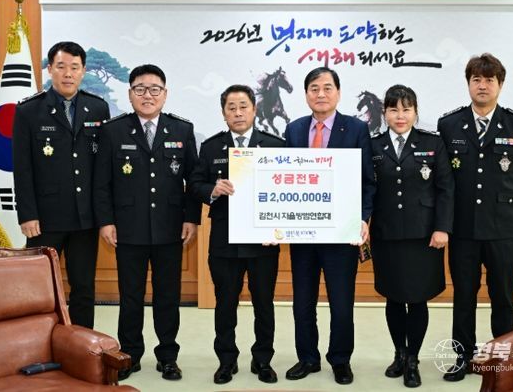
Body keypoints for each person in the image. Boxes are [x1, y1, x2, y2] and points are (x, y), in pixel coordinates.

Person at [93, 64, 201, 381]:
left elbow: (193, 180)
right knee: (131, 297)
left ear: (165, 94)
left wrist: (191, 218)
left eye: (155, 89)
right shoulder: (113, 131)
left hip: (170, 228)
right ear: (130, 94)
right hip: (128, 229)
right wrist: (105, 222)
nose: (147, 95)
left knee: (168, 296)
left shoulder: (182, 130)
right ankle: (130, 355)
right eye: (140, 89)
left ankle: (168, 356)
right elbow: (101, 183)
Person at [437, 53, 513, 381]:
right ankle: (463, 357)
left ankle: (501, 359)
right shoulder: (449, 125)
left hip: (502, 229)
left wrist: (506, 204)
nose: (483, 86)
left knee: (503, 297)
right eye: (476, 80)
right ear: (468, 83)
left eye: (489, 80)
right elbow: (444, 177)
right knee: (463, 297)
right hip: (463, 229)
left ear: (500, 84)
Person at [283, 66, 375, 385]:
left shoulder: (356, 129)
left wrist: (363, 218)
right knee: (302, 302)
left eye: (327, 88)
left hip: (341, 233)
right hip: (303, 233)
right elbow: (283, 179)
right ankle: (308, 358)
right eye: (314, 88)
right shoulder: (294, 129)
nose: (320, 94)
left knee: (341, 302)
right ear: (306, 94)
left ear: (338, 92)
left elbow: (368, 180)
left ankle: (340, 359)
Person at [189, 84, 284, 385]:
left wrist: (280, 227)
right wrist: (213, 189)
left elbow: (286, 192)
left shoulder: (275, 145)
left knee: (264, 304)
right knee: (225, 303)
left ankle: (263, 360)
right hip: (224, 242)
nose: (238, 112)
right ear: (224, 113)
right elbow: (195, 184)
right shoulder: (211, 147)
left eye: (244, 106)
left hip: (263, 242)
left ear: (254, 110)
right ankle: (226, 361)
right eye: (232, 107)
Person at [13, 41, 110, 329]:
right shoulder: (29, 111)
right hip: (45, 219)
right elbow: (22, 167)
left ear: (83, 71)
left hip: (85, 218)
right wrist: (27, 214)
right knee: (39, 288)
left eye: (75, 67)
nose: (68, 73)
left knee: (84, 287)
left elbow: (103, 167)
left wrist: (104, 215)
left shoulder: (98, 108)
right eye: (61, 66)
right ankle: (40, 342)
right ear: (49, 69)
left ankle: (82, 344)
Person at [370, 84, 454, 388]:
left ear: (416, 112)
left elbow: (446, 189)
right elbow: (365, 188)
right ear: (385, 113)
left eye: (406, 109)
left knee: (417, 300)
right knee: (393, 298)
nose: (400, 115)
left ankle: (414, 359)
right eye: (393, 109)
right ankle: (400, 354)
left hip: (424, 236)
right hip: (386, 235)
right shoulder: (373, 145)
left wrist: (442, 228)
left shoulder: (433, 143)